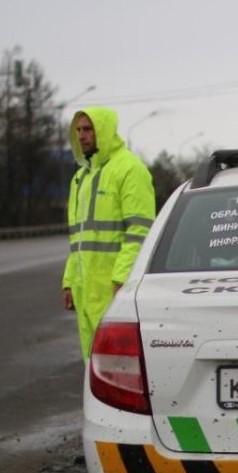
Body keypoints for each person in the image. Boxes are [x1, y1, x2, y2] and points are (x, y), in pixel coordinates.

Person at [62, 107, 156, 361]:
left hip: (113, 287)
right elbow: (77, 241)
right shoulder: (81, 178)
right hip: (86, 288)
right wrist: (69, 281)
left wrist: (122, 279)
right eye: (78, 130)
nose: (81, 136)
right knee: (92, 361)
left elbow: (140, 231)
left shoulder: (129, 169)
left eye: (88, 129)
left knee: (118, 364)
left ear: (103, 130)